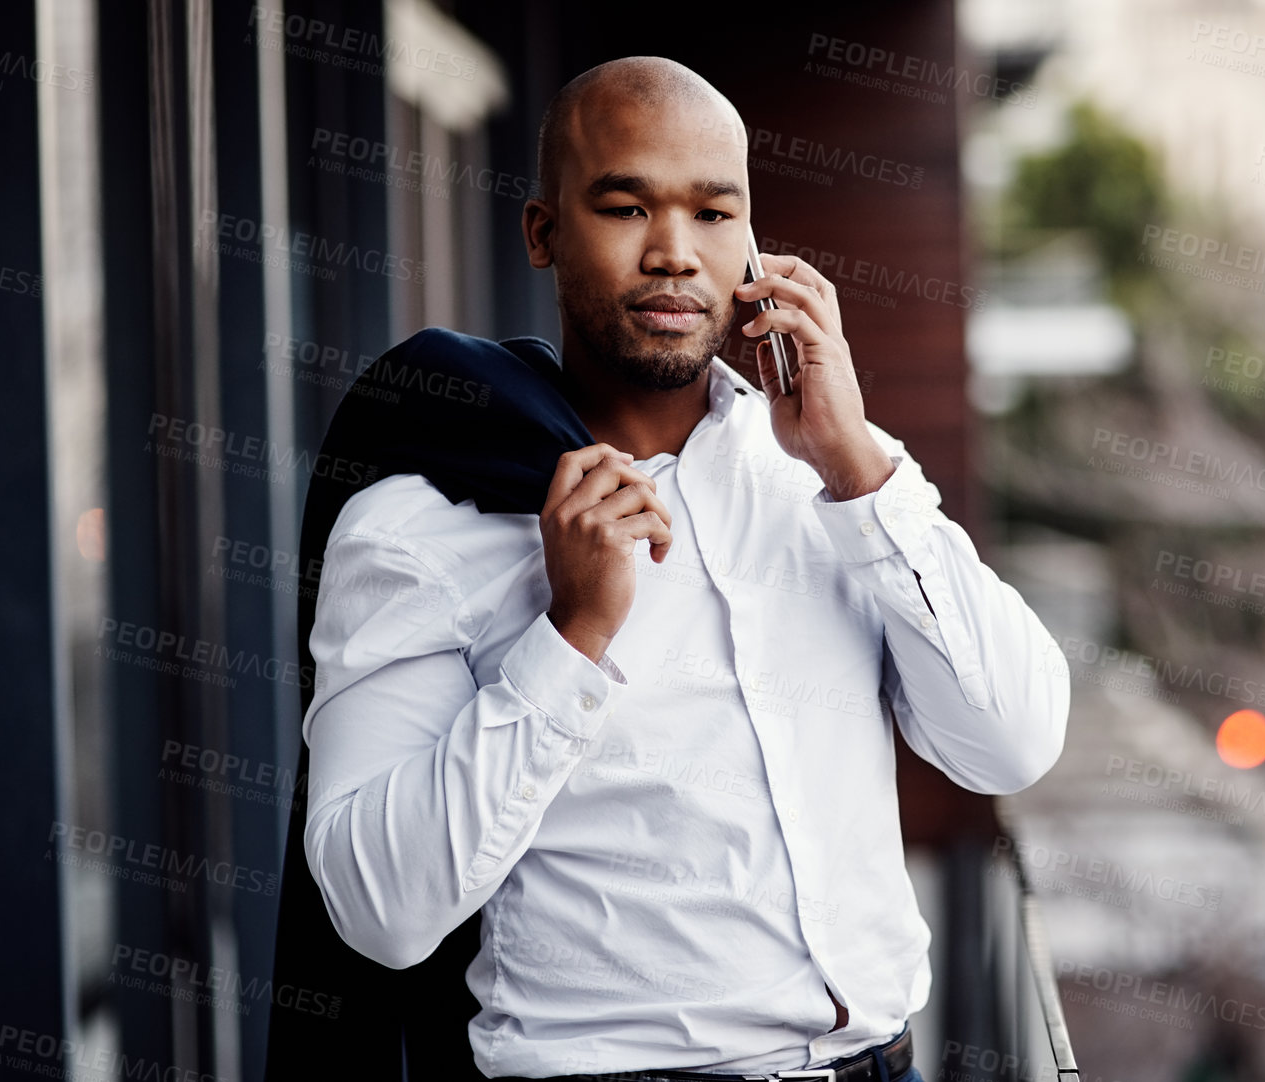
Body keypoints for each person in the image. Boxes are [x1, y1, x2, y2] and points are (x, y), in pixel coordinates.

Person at [297, 56, 1069, 1082]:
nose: (672, 253)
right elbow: (377, 909)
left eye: (713, 214)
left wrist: (858, 469)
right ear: (542, 231)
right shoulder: (423, 520)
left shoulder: (830, 477)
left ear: (752, 240)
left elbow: (1009, 741)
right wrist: (568, 638)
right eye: (624, 207)